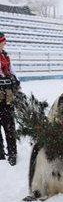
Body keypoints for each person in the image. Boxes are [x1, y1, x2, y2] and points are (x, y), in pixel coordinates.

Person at [0, 32, 19, 166]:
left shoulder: (5, 57)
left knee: (9, 127)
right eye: (3, 41)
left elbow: (13, 74)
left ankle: (12, 152)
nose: (4, 44)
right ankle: (0, 152)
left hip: (7, 98)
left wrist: (14, 81)